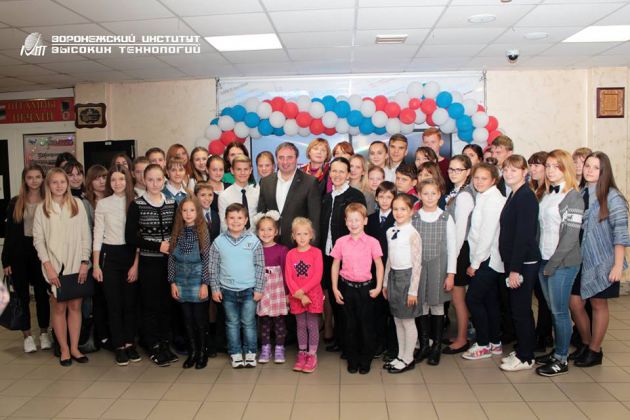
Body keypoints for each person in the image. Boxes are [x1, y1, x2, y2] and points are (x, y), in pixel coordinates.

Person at [570, 152, 629, 367]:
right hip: (580, 258)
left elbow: (620, 234)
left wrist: (617, 265)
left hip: (604, 260)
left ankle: (595, 351)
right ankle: (586, 343)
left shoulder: (613, 197)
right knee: (575, 302)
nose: (590, 170)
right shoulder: (580, 193)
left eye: (596, 168)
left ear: (604, 172)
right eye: (587, 166)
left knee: (598, 303)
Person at [33, 168, 91, 366]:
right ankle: (64, 349)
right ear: (48, 185)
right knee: (59, 307)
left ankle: (74, 348)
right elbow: (38, 241)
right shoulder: (42, 208)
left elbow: (85, 236)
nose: (59, 186)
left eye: (62, 182)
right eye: (54, 182)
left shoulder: (77, 204)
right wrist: (48, 267)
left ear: (67, 184)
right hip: (54, 267)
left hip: (77, 264)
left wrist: (84, 262)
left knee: (75, 306)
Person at [534, 149, 584, 377]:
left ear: (566, 168)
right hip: (544, 259)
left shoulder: (573, 197)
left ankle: (562, 359)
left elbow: (570, 237)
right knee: (554, 310)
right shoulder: (546, 194)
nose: (551, 170)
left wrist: (552, 264)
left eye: (557, 166)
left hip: (562, 263)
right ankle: (557, 351)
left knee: (560, 312)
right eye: (548, 166)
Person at [125, 164, 178, 367]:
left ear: (164, 179)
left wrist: (171, 246)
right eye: (150, 180)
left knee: (166, 304)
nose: (155, 184)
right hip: (149, 263)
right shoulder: (137, 205)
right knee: (150, 305)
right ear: (144, 181)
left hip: (169, 262)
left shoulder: (171, 203)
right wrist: (158, 246)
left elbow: (176, 230)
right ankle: (153, 345)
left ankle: (165, 343)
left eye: (158, 179)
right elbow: (130, 237)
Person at [92, 165, 140, 366]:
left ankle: (130, 343)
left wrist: (135, 264)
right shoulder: (103, 204)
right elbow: (97, 235)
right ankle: (119, 346)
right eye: (113, 180)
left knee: (130, 304)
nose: (117, 183)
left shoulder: (135, 202)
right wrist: (96, 265)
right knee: (114, 304)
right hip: (109, 256)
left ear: (127, 180)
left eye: (121, 179)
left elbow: (139, 235)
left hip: (130, 255)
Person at [498, 156, 541, 372]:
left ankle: (526, 357)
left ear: (525, 172)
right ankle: (524, 348)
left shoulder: (526, 197)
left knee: (521, 309)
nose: (508, 173)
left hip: (523, 262)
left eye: (514, 170)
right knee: (518, 308)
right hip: (514, 261)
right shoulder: (515, 194)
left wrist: (515, 269)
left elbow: (524, 236)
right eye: (506, 169)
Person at [209, 203, 265, 369]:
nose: (235, 221)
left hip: (249, 290)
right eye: (231, 218)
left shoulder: (254, 241)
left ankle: (250, 352)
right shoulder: (218, 242)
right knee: (232, 323)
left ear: (246, 220)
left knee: (248, 322)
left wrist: (259, 289)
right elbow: (213, 267)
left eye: (239, 218)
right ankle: (235, 353)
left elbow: (260, 266)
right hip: (227, 291)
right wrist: (215, 288)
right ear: (226, 220)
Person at [320, 157, 366, 355]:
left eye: (341, 171)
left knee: (349, 302)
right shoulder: (326, 197)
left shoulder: (355, 196)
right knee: (334, 298)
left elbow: (360, 227)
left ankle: (352, 344)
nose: (337, 175)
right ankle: (341, 339)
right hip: (328, 255)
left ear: (348, 174)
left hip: (349, 258)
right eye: (334, 171)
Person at [2, 164, 51, 353]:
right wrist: (6, 260)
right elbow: (9, 233)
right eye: (30, 177)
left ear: (43, 178)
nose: (34, 181)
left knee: (42, 295)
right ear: (24, 180)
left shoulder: (48, 200)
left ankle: (44, 333)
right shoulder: (16, 202)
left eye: (37, 177)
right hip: (19, 254)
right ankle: (27, 336)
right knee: (21, 296)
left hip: (41, 253)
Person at [331, 203, 384, 374]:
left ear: (365, 221)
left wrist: (378, 287)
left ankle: (365, 359)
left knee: (366, 325)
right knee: (349, 325)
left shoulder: (372, 242)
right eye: (350, 220)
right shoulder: (341, 242)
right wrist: (335, 288)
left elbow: (379, 265)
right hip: (346, 288)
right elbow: (335, 265)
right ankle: (352, 358)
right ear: (345, 221)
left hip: (366, 289)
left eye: (357, 220)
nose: (354, 224)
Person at [462, 163, 507, 361]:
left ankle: (482, 344)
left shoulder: (493, 200)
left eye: (484, 178)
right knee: (489, 301)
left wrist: (475, 263)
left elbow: (487, 235)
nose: (479, 182)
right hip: (484, 257)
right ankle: (494, 342)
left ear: (494, 180)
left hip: (487, 259)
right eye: (476, 178)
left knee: (473, 299)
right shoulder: (484, 196)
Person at [412, 179, 456, 366]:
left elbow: (452, 248)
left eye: (433, 193)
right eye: (425, 193)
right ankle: (424, 345)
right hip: (419, 268)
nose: (429, 197)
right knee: (421, 304)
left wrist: (451, 274)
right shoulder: (414, 217)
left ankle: (436, 346)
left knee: (437, 305)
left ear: (439, 195)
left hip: (439, 267)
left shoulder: (446, 217)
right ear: (419, 196)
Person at [168, 197, 211, 370]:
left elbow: (206, 258)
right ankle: (192, 352)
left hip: (198, 279)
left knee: (199, 320)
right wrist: (172, 282)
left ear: (197, 212)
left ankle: (202, 352)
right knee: (187, 320)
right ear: (180, 213)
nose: (188, 214)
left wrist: (205, 283)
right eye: (184, 210)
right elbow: (171, 258)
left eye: (192, 210)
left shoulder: (203, 231)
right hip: (180, 280)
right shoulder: (177, 231)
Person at [382, 194, 422, 373]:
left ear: (411, 211)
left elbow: (417, 264)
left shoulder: (413, 234)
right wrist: (385, 282)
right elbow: (389, 259)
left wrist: (413, 291)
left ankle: (408, 358)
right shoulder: (390, 231)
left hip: (408, 278)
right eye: (395, 209)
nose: (399, 212)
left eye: (403, 209)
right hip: (393, 277)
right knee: (397, 319)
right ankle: (400, 355)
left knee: (407, 320)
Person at [258, 142, 321, 248]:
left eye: (289, 157)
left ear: (296, 159)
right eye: (281, 157)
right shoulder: (265, 182)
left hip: (299, 245)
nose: (285, 162)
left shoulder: (310, 182)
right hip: (271, 244)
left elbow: (314, 219)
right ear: (276, 159)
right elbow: (261, 214)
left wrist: (311, 248)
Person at [442, 155, 474, 355]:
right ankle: (461, 334)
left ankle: (463, 338)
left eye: (458, 170)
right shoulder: (456, 191)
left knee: (458, 297)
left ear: (468, 172)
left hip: (459, 251)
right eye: (451, 169)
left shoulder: (464, 196)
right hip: (454, 249)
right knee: (455, 298)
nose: (453, 173)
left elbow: (460, 232)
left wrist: (452, 261)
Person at [285, 217, 324, 373]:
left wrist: (304, 291)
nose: (302, 237)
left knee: (312, 324)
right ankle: (302, 353)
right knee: (300, 324)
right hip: (296, 295)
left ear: (311, 235)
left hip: (312, 294)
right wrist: (299, 295)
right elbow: (289, 277)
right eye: (298, 234)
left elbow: (317, 276)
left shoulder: (316, 253)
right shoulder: (290, 254)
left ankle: (312, 354)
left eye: (305, 234)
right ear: (293, 236)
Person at [366, 181, 397, 361]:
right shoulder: (370, 219)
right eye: (381, 197)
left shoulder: (398, 218)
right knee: (376, 309)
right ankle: (379, 343)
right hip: (373, 269)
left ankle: (393, 346)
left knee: (392, 310)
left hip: (393, 268)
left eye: (389, 197)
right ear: (376, 198)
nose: (385, 200)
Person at [253, 211, 289, 364]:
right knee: (264, 321)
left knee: (279, 321)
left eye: (269, 229)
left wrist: (287, 293)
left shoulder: (282, 250)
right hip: (263, 290)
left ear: (276, 231)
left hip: (278, 290)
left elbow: (286, 272)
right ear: (257, 232)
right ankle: (265, 347)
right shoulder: (256, 250)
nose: (266, 233)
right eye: (262, 229)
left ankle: (280, 347)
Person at [527, 151, 553, 351]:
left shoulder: (549, 192)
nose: (532, 169)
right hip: (534, 249)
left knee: (544, 298)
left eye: (537, 165)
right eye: (531, 165)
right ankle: (540, 334)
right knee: (538, 295)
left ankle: (544, 336)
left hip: (545, 251)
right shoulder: (532, 188)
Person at [194, 182, 220, 357]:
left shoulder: (216, 215)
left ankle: (212, 339)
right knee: (201, 302)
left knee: (213, 302)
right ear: (196, 196)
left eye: (210, 195)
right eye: (202, 195)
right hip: (198, 265)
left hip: (215, 264)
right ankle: (201, 341)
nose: (206, 198)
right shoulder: (193, 216)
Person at [218, 155, 259, 232]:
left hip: (255, 237)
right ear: (232, 170)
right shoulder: (224, 196)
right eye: (239, 169)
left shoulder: (257, 193)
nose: (242, 173)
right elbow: (224, 224)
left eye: (246, 169)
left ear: (250, 170)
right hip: (233, 237)